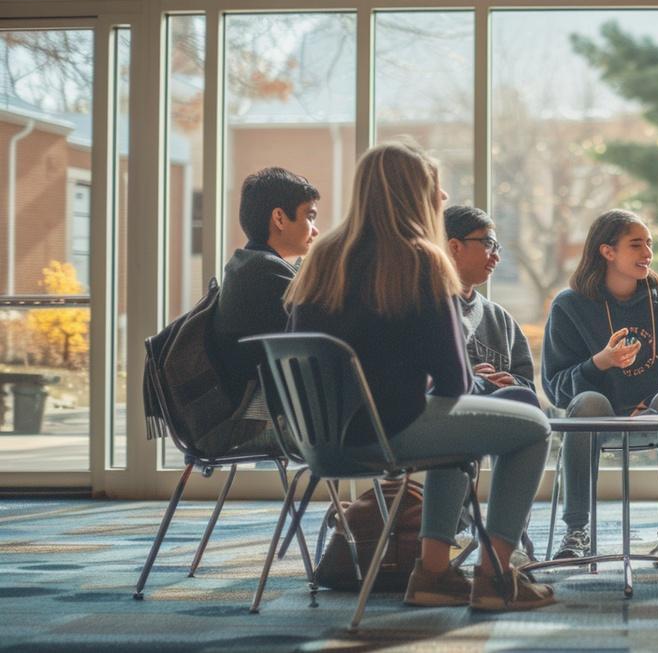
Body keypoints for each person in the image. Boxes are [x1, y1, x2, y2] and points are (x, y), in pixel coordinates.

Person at [285, 142, 555, 611]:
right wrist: (491, 388)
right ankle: (495, 576)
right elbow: (455, 383)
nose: (444, 194)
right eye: (435, 186)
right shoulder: (420, 261)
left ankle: (434, 575)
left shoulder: (322, 260)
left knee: (452, 429)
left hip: (321, 439)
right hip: (388, 432)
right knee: (533, 428)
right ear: (414, 194)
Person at [541, 209, 658, 564]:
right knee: (587, 401)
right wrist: (601, 362)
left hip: (657, 415)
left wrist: (656, 402)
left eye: (649, 244)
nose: (647, 253)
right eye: (636, 245)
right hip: (596, 421)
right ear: (607, 251)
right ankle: (576, 531)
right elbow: (557, 389)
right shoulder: (569, 305)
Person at [205, 166, 319, 456]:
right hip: (257, 424)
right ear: (279, 218)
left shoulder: (246, 264)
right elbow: (315, 338)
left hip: (249, 415)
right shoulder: (264, 271)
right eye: (309, 216)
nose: (315, 230)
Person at [444, 205, 539, 410]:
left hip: (498, 421)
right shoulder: (423, 310)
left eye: (498, 248)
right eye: (488, 244)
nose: (496, 256)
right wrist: (473, 381)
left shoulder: (501, 320)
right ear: (454, 247)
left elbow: (528, 390)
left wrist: (511, 383)